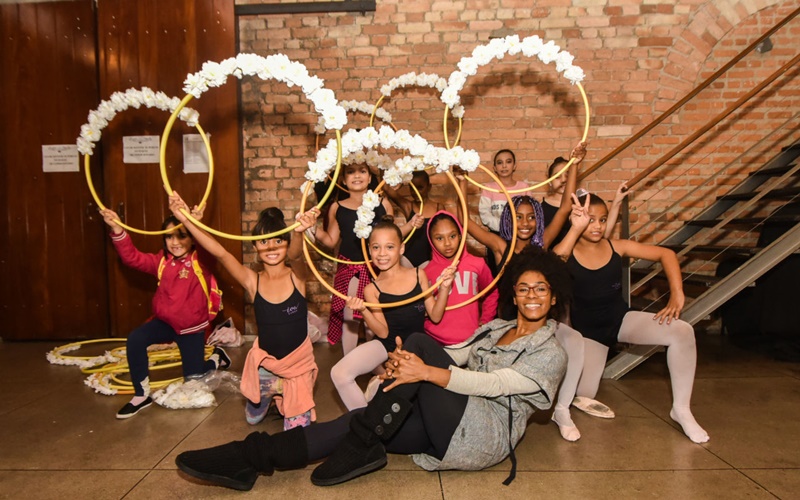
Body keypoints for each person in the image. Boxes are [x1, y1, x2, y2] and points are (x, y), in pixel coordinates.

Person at [174, 246, 568, 491]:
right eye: (524, 288)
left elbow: (495, 384)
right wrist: (398, 369)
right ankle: (253, 458)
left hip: (482, 434)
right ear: (514, 294)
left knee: (415, 344)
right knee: (361, 419)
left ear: (553, 298)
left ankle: (364, 445)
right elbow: (460, 353)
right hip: (449, 417)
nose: (531, 296)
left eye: (541, 290)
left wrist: (423, 372)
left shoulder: (551, 352)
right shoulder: (497, 327)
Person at [554, 190, 710, 444]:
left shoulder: (618, 247)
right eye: (590, 219)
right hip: (586, 335)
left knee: (682, 331)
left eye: (603, 220)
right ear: (578, 218)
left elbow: (666, 254)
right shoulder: (568, 251)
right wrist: (574, 229)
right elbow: (552, 263)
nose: (597, 226)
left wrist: (677, 294)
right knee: (583, 393)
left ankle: (681, 410)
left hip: (619, 321)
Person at [168, 193, 320, 430]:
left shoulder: (297, 277)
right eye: (263, 242)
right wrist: (186, 220)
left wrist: (299, 231)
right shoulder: (253, 281)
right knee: (252, 419)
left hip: (298, 365)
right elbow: (220, 253)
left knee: (298, 433)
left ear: (287, 243)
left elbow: (298, 256)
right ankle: (268, 386)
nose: (271, 247)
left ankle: (283, 388)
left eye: (279, 240)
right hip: (267, 363)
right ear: (255, 246)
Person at [99, 207, 229, 420]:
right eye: (168, 236)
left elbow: (211, 248)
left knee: (194, 379)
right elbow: (132, 258)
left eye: (181, 235)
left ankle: (216, 358)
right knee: (135, 339)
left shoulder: (201, 261)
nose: (174, 242)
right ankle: (141, 395)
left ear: (192, 238)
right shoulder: (162, 261)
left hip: (191, 329)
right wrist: (116, 228)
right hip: (165, 323)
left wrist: (194, 224)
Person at [330, 217, 456, 410]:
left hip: (416, 348)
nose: (382, 254)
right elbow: (382, 332)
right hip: (387, 345)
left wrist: (445, 288)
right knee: (339, 373)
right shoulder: (372, 289)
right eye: (376, 247)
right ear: (369, 250)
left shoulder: (417, 275)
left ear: (401, 249)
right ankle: (364, 425)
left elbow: (435, 316)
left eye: (389, 247)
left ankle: (378, 390)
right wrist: (364, 310)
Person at [312, 163, 412, 354]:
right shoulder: (337, 207)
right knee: (351, 316)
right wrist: (311, 228)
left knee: (376, 317)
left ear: (370, 177)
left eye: (362, 171)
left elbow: (392, 236)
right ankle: (349, 361)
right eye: (350, 172)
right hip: (352, 269)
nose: (356, 176)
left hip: (380, 269)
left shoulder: (383, 203)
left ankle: (377, 362)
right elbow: (331, 240)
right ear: (343, 179)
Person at [423, 211, 498, 346]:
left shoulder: (477, 263)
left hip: (469, 341)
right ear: (430, 240)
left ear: (460, 235)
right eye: (439, 238)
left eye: (452, 236)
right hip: (434, 340)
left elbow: (491, 293)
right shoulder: (426, 272)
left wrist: (485, 322)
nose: (447, 243)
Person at [383, 170, 442, 268]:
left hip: (427, 258)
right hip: (406, 257)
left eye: (420, 188)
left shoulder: (438, 208)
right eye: (412, 188)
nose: (416, 192)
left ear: (429, 187)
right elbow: (386, 188)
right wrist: (401, 182)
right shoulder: (408, 206)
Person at [478, 149, 534, 233]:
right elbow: (485, 214)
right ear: (495, 168)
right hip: (496, 235)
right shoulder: (489, 188)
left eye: (508, 162)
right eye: (500, 163)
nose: (504, 166)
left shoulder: (523, 187)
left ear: (514, 166)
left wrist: (516, 227)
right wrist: (503, 226)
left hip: (520, 234)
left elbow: (531, 214)